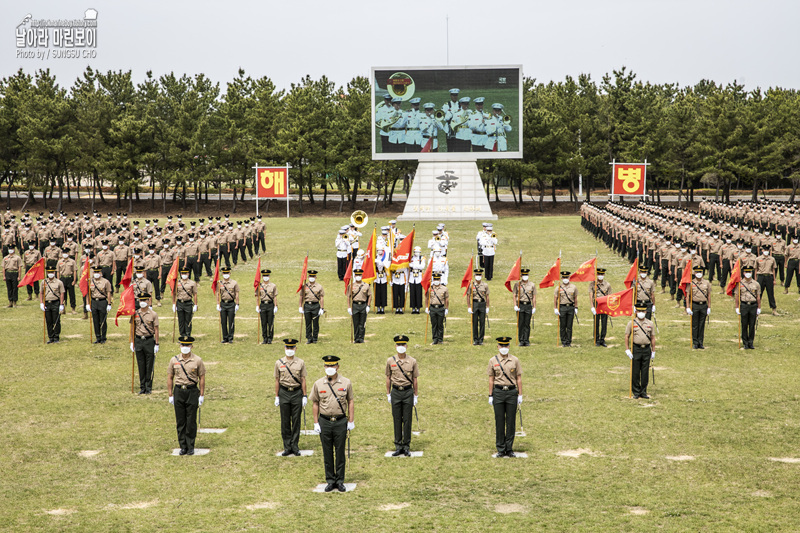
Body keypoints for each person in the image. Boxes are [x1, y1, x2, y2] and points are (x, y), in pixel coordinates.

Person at [310, 355, 355, 493]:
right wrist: (316, 422)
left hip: (340, 421)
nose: (330, 368)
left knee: (340, 451)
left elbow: (351, 401)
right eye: (327, 366)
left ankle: (340, 480)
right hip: (325, 421)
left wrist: (351, 421)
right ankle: (330, 480)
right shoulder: (318, 383)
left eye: (333, 365)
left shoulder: (346, 382)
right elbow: (315, 403)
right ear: (324, 367)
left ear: (337, 367)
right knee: (327, 452)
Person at [167, 335, 206, 455]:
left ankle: (190, 445)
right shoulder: (174, 360)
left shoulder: (197, 360)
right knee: (180, 420)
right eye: (183, 345)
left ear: (191, 346)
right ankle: (182, 445)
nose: (185, 347)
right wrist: (170, 394)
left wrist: (201, 394)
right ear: (180, 345)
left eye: (187, 345)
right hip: (179, 391)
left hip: (192, 391)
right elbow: (170, 377)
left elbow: (202, 377)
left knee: (191, 420)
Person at [488, 336, 523, 457]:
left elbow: (518, 378)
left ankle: (509, 448)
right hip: (498, 392)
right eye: (501, 346)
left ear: (509, 346)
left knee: (511, 421)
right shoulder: (493, 360)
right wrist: (490, 395)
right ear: (498, 347)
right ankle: (500, 448)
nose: (504, 348)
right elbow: (491, 379)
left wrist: (520, 394)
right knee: (499, 421)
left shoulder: (515, 360)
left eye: (506, 346)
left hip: (511, 392)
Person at [386, 335, 419, 456]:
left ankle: (406, 446)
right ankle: (398, 445)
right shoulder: (390, 361)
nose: (401, 347)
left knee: (407, 419)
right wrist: (388, 394)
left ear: (406, 346)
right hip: (396, 392)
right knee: (396, 419)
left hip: (407, 392)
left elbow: (415, 379)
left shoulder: (412, 361)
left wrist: (415, 395)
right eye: (399, 345)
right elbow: (388, 378)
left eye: (403, 345)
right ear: (395, 346)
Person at [275, 338, 308, 456]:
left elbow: (303, 380)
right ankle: (287, 446)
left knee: (296, 421)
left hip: (296, 393)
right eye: (287, 348)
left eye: (292, 348)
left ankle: (295, 446)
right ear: (284, 348)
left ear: (295, 349)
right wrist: (277, 396)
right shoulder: (279, 363)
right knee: (285, 421)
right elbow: (277, 380)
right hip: (284, 392)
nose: (289, 350)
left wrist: (304, 395)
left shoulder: (300, 362)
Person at [625, 304, 656, 399]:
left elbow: (652, 337)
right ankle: (636, 391)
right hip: (636, 349)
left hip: (646, 349)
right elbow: (627, 336)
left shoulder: (650, 323)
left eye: (643, 311)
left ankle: (643, 391)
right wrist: (627, 349)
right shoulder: (631, 323)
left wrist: (653, 351)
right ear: (636, 312)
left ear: (646, 312)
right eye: (639, 311)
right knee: (635, 371)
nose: (641, 313)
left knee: (645, 371)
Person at [132, 291, 160, 394]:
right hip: (139, 340)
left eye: (144, 300)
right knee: (141, 364)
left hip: (149, 340)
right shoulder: (135, 313)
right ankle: (142, 386)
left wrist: (156, 343)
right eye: (141, 300)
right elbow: (132, 328)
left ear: (148, 301)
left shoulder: (153, 314)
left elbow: (156, 329)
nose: (142, 302)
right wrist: (132, 342)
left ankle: (148, 386)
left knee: (149, 365)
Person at [735, 266, 761, 349]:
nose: (748, 274)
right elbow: (737, 296)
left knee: (752, 325)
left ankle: (751, 342)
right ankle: (745, 342)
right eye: (746, 272)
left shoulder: (756, 284)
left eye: (749, 272)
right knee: (744, 324)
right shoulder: (740, 284)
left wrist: (759, 308)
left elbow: (758, 297)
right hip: (744, 305)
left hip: (753, 305)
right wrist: (737, 307)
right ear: (743, 273)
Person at [686, 266, 711, 349]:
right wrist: (688, 307)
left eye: (700, 272)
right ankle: (695, 342)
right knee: (695, 325)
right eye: (697, 272)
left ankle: (701, 342)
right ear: (694, 273)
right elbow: (688, 296)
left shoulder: (706, 283)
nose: (699, 274)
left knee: (701, 324)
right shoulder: (691, 283)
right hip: (695, 305)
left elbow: (709, 295)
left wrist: (709, 307)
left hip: (703, 305)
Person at [88, 265, 113, 344]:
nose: (96, 273)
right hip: (94, 301)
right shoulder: (90, 281)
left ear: (100, 272)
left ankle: (103, 337)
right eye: (95, 272)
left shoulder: (105, 281)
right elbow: (88, 293)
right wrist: (88, 304)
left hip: (102, 301)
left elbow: (108, 293)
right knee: (95, 320)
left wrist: (109, 304)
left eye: (97, 272)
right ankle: (97, 337)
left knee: (102, 320)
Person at [299, 269, 325, 344]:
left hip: (316, 305)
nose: (312, 277)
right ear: (308, 276)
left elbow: (321, 298)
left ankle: (315, 338)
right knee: (308, 323)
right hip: (307, 305)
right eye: (310, 276)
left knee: (315, 323)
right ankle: (309, 338)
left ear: (316, 277)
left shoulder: (319, 286)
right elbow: (301, 296)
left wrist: (322, 308)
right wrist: (300, 306)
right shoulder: (304, 286)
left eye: (313, 276)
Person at [513, 268, 536, 346]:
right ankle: (521, 340)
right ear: (521, 275)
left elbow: (534, 296)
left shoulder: (532, 285)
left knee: (527, 324)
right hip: (520, 305)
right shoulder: (517, 284)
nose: (525, 276)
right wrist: (515, 305)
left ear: (528, 275)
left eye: (526, 275)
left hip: (528, 305)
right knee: (521, 324)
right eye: (523, 275)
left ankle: (526, 340)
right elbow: (514, 295)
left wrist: (534, 307)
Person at [41, 267, 65, 343]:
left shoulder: (59, 282)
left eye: (51, 272)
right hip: (47, 303)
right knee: (49, 321)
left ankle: (56, 337)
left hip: (55, 302)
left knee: (56, 320)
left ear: (54, 273)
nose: (50, 274)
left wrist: (61, 304)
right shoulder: (43, 282)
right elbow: (41, 293)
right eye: (48, 272)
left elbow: (62, 293)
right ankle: (50, 337)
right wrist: (41, 303)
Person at [554, 271, 578, 347]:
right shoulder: (558, 287)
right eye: (564, 277)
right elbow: (555, 298)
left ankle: (568, 341)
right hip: (562, 307)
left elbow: (575, 298)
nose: (565, 279)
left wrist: (576, 307)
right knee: (563, 326)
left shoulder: (573, 287)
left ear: (569, 278)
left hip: (571, 307)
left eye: (566, 277)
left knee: (569, 326)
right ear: (561, 278)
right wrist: (555, 308)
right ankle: (563, 341)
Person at [348, 268, 372, 343]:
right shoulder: (351, 285)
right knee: (355, 322)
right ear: (354, 276)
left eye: (360, 275)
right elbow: (348, 296)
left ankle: (361, 338)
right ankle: (356, 338)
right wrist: (349, 307)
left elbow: (370, 296)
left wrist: (368, 305)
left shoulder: (366, 285)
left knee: (362, 323)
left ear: (362, 275)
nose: (358, 276)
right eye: (357, 275)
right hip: (355, 305)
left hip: (363, 305)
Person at [216, 267, 239, 344]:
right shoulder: (219, 283)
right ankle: (225, 337)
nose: (226, 275)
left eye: (227, 273)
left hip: (231, 303)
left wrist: (237, 304)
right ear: (222, 274)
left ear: (230, 273)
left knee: (231, 321)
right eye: (224, 273)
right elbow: (218, 294)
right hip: (223, 303)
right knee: (223, 321)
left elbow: (237, 294)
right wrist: (218, 304)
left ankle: (230, 337)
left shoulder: (234, 283)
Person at [173, 268, 198, 337]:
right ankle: (182, 335)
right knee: (181, 320)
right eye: (183, 273)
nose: (184, 275)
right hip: (180, 302)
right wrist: (173, 304)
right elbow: (174, 293)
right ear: (181, 274)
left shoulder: (192, 283)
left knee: (188, 320)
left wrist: (196, 305)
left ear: (188, 274)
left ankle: (188, 334)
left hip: (188, 303)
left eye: (185, 273)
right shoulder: (177, 283)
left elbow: (195, 294)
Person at [589, 268, 611, 347]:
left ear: (604, 275)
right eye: (599, 274)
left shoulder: (607, 285)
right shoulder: (592, 284)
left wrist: (609, 308)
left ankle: (602, 339)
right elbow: (591, 296)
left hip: (604, 304)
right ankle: (596, 339)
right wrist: (592, 306)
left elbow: (609, 297)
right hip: (597, 304)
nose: (600, 276)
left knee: (604, 323)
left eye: (602, 274)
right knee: (596, 323)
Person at [468, 268, 490, 345]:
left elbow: (487, 296)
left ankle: (481, 339)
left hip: (482, 304)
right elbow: (468, 296)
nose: (478, 276)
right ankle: (475, 339)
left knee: (482, 322)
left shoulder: (485, 285)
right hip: (474, 304)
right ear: (474, 275)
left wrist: (487, 306)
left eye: (479, 274)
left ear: (482, 275)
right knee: (474, 322)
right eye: (477, 274)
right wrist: (469, 307)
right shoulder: (471, 285)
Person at [426, 272, 449, 345]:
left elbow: (446, 299)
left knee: (440, 324)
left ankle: (440, 339)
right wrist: (427, 307)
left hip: (440, 308)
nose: (436, 280)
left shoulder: (444, 288)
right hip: (432, 308)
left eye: (437, 279)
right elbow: (427, 298)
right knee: (434, 324)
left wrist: (446, 308)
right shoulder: (430, 288)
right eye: (435, 279)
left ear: (440, 279)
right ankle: (435, 339)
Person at [755, 244, 778, 315]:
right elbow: (756, 269)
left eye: (767, 250)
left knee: (770, 293)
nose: (766, 251)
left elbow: (773, 269)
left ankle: (774, 309)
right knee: (759, 294)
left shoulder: (772, 259)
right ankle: (756, 309)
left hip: (769, 276)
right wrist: (755, 279)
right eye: (765, 250)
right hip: (761, 276)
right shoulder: (758, 259)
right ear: (762, 250)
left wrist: (774, 279)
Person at [257, 268, 278, 344]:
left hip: (270, 305)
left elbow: (275, 296)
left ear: (269, 276)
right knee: (263, 322)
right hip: (262, 305)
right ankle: (264, 338)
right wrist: (257, 306)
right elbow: (257, 296)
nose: (266, 277)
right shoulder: (259, 285)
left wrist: (275, 306)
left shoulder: (273, 286)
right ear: (262, 276)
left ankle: (270, 338)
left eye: (267, 275)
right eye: (264, 275)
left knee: (270, 322)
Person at [408, 247, 425, 314]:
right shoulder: (411, 258)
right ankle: (413, 307)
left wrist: (413, 265)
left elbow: (422, 266)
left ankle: (418, 308)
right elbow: (408, 265)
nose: (416, 253)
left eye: (418, 252)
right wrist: (414, 265)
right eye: (415, 252)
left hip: (419, 277)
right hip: (412, 277)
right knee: (412, 293)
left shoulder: (422, 258)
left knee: (418, 293)